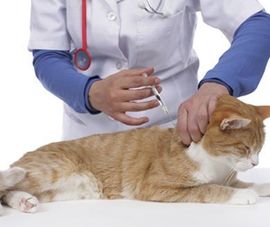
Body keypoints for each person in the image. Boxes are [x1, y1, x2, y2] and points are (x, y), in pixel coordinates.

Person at [29, 0, 270, 144]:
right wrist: (90, 92)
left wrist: (216, 86)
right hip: (90, 137)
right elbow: (48, 55)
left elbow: (256, 24)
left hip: (175, 132)